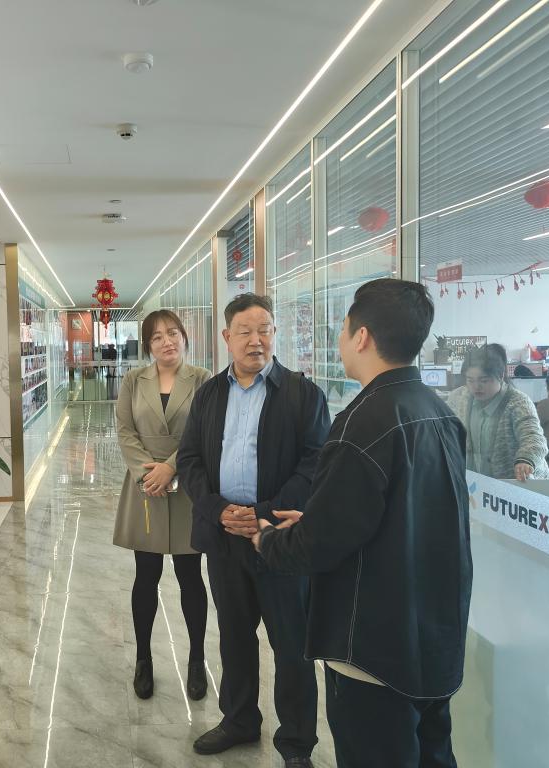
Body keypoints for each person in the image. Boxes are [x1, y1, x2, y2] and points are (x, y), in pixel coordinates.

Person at [252, 278, 473, 768]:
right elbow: (402, 517)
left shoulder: (362, 423)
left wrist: (269, 539)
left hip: (373, 651)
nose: (341, 339)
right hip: (433, 639)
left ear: (362, 337)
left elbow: (317, 546)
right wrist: (317, 516)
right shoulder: (439, 413)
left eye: (344, 328)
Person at [177, 293, 331, 768]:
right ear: (227, 338)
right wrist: (218, 509)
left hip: (280, 541)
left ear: (275, 334)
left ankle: (297, 743)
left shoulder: (303, 394)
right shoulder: (209, 394)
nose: (255, 340)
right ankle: (240, 720)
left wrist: (262, 513)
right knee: (234, 635)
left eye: (264, 329)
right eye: (244, 331)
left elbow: (315, 464)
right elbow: (190, 459)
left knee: (291, 645)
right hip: (224, 539)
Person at [114, 310, 212, 701]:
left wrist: (170, 467)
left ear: (184, 337)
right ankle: (143, 659)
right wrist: (147, 474)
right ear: (148, 345)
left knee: (191, 575)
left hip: (188, 483)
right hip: (146, 488)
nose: (166, 342)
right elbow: (125, 431)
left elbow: (203, 431)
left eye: (172, 333)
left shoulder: (202, 379)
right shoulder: (133, 380)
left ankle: (196, 660)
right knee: (146, 574)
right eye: (156, 337)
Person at [447, 343, 549, 481]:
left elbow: (533, 437)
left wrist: (525, 460)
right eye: (470, 380)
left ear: (501, 376)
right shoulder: (459, 397)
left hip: (518, 483)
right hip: (477, 483)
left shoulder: (518, 402)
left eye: (484, 380)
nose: (476, 386)